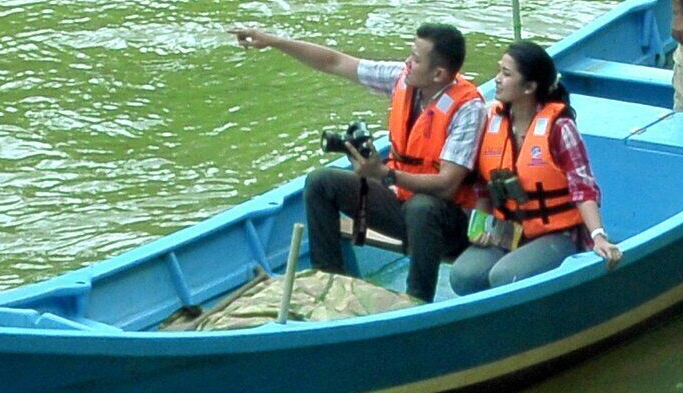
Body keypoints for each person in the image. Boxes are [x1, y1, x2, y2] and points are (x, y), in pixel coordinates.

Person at [230, 20, 483, 302]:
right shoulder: (403, 79)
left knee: (422, 207)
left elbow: (447, 185)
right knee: (321, 182)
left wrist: (385, 173)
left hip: (448, 224)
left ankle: (416, 301)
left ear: (438, 74)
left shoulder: (467, 109)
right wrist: (273, 41)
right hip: (400, 201)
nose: (407, 63)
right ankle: (329, 286)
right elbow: (334, 62)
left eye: (415, 59)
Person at [446, 40, 620, 295]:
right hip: (508, 230)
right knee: (463, 276)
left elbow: (583, 189)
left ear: (529, 87)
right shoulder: (490, 120)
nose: (497, 80)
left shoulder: (560, 129)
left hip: (557, 234)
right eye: (498, 71)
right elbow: (483, 187)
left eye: (506, 74)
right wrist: (480, 227)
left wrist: (598, 236)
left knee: (505, 277)